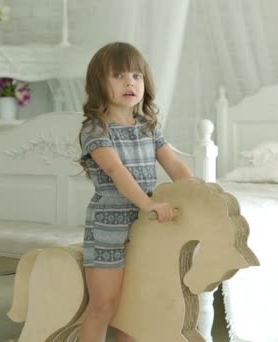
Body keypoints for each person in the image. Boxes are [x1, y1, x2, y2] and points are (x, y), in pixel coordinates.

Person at [77, 42, 193, 342]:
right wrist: (148, 203)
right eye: (118, 75)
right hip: (110, 227)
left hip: (145, 228)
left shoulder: (148, 127)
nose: (130, 82)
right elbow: (117, 172)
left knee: (135, 308)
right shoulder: (95, 129)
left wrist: (196, 193)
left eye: (136, 76)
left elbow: (174, 164)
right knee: (104, 306)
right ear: (98, 84)